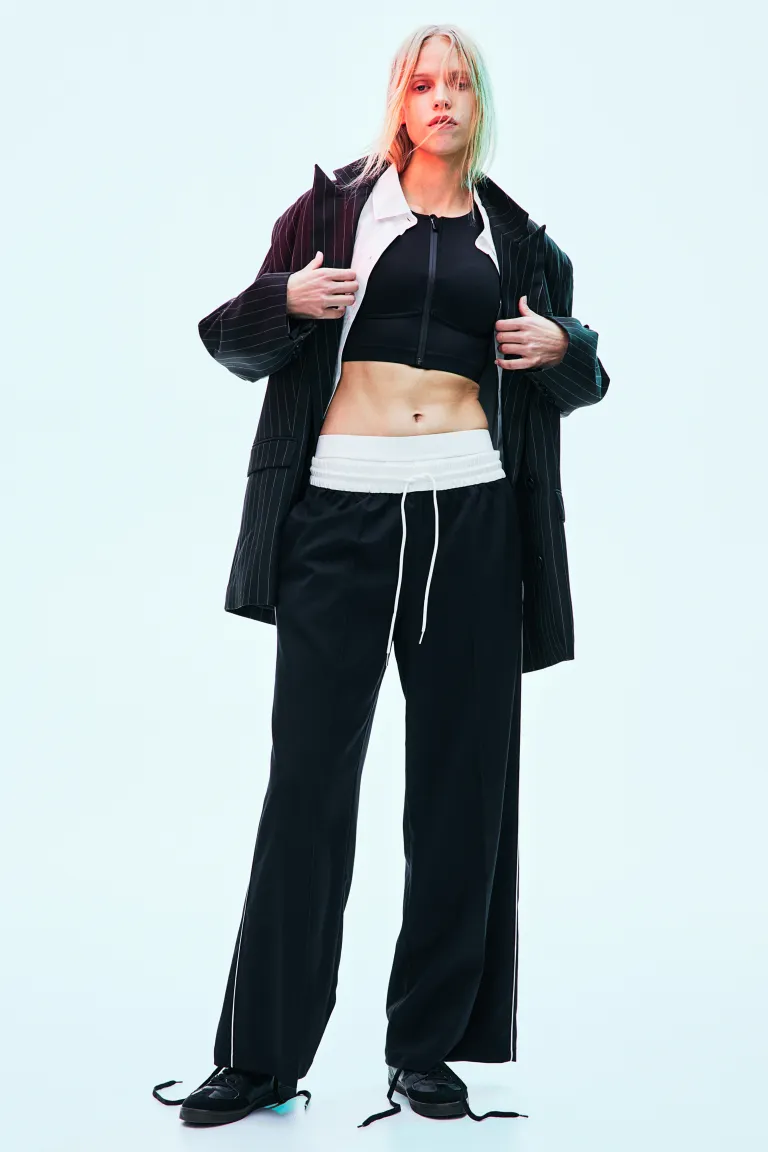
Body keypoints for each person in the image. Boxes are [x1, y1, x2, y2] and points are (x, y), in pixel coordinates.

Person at [152, 21, 609, 1130]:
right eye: (423, 83)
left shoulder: (521, 242)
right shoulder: (331, 215)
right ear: (400, 102)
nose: (442, 98)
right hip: (339, 518)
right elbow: (229, 337)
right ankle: (259, 1060)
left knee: (462, 793)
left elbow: (584, 378)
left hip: (472, 520)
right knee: (307, 788)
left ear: (479, 104)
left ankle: (427, 1052)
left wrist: (566, 348)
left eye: (460, 84)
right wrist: (288, 304)